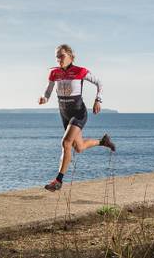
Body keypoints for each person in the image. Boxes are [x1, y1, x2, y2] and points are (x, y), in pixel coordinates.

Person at [38, 44, 116, 191]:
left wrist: (98, 100)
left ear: (70, 56)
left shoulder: (80, 71)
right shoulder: (54, 73)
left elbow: (99, 83)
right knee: (78, 147)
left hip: (78, 113)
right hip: (64, 114)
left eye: (61, 56)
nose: (58, 59)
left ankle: (58, 180)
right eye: (57, 57)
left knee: (66, 143)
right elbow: (48, 90)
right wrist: (44, 98)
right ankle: (103, 141)